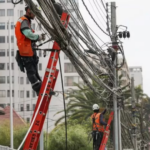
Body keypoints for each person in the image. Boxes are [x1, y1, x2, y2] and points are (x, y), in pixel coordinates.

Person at [15, 6, 46, 96]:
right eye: (34, 13)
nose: (35, 15)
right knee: (31, 72)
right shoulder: (23, 20)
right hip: (26, 51)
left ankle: (41, 89)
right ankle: (38, 88)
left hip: (29, 51)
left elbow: (30, 34)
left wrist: (37, 37)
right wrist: (38, 37)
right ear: (29, 10)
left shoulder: (27, 22)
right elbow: (28, 34)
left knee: (35, 72)